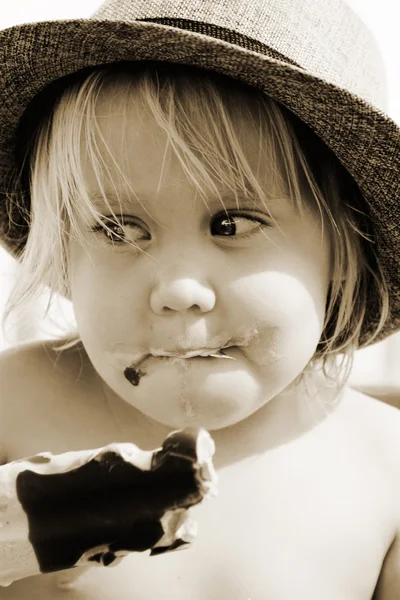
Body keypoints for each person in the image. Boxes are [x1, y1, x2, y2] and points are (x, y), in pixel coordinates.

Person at [0, 0, 399, 597]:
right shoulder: (10, 409)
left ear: (346, 252)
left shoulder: (385, 473)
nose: (179, 291)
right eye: (116, 229)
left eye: (231, 225)